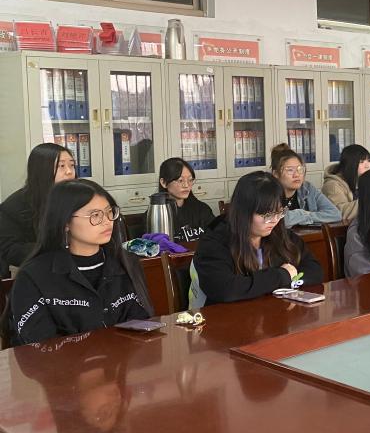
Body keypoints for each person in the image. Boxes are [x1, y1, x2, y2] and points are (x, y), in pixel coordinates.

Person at [9, 179, 152, 346]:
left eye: (109, 212)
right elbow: (40, 345)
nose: (107, 221)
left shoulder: (126, 262)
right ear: (65, 223)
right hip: (63, 362)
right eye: (95, 215)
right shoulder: (34, 276)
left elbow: (141, 326)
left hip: (121, 360)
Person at [190, 172, 323, 308]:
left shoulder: (279, 233)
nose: (274, 220)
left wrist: (290, 281)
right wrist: (281, 277)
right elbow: (226, 290)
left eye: (279, 212)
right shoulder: (215, 241)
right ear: (244, 212)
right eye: (267, 214)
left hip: (271, 313)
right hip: (224, 317)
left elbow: (315, 271)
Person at [0, 142, 77, 274]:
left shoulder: (80, 197)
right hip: (36, 271)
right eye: (61, 166)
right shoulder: (15, 206)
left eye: (72, 165)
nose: (69, 171)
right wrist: (54, 250)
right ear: (42, 170)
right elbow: (10, 249)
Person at [270, 144, 342, 228]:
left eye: (300, 169)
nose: (297, 175)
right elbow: (272, 220)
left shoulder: (307, 189)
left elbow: (335, 214)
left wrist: (303, 215)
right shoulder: (267, 193)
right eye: (290, 170)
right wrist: (303, 215)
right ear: (276, 174)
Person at [157, 158, 215, 243]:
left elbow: (217, 238)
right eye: (180, 180)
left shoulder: (203, 210)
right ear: (164, 182)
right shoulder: (157, 215)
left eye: (190, 180)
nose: (186, 185)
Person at [321, 144, 370, 222]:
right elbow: (340, 213)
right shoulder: (332, 185)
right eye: (361, 162)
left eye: (368, 160)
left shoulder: (363, 179)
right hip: (345, 228)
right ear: (350, 164)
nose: (367, 166)